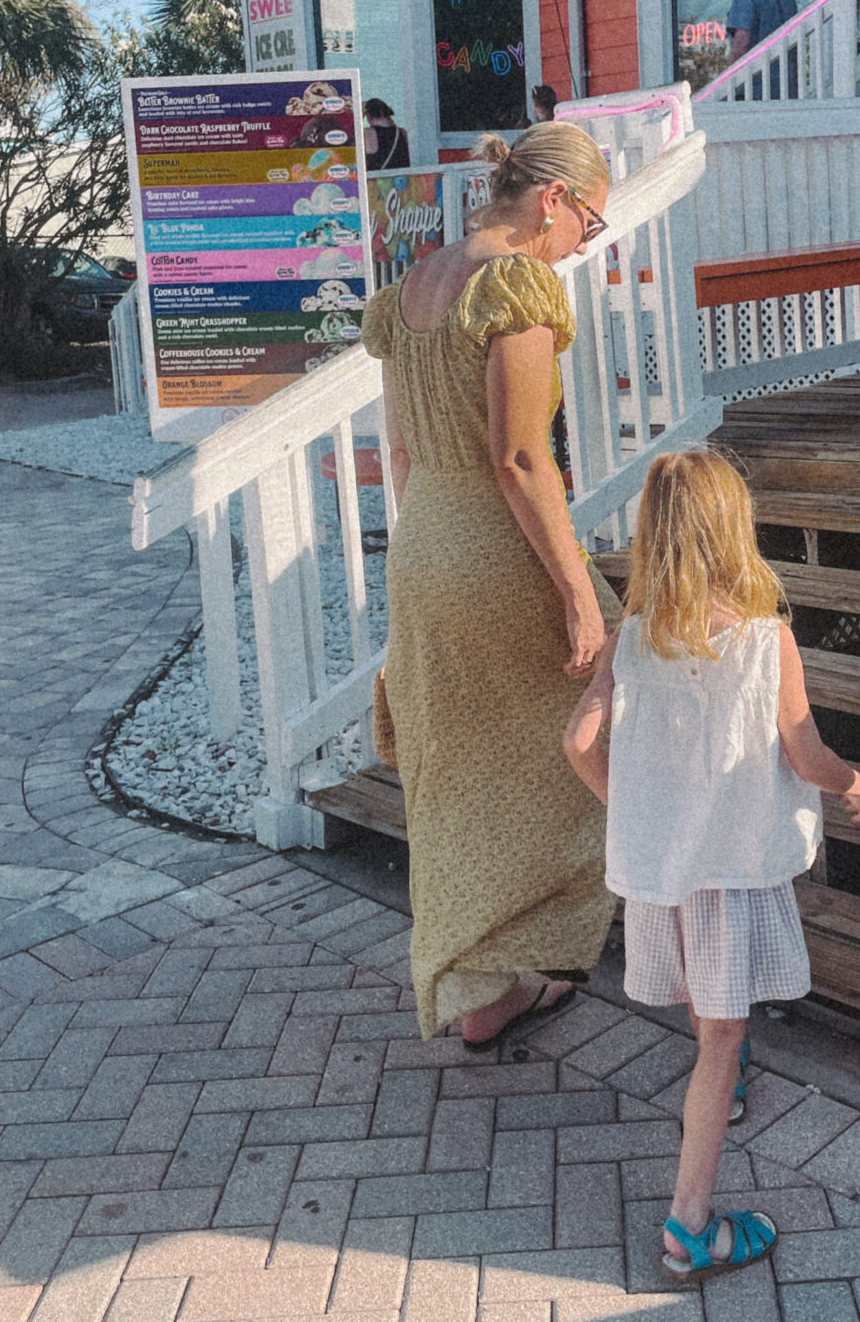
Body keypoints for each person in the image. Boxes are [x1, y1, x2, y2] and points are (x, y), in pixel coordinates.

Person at [565, 450, 860, 1281]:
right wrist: (852, 781)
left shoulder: (628, 642)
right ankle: (690, 1225)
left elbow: (578, 742)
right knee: (724, 1029)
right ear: (735, 531)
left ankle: (724, 1079)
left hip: (667, 873)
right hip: (732, 872)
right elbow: (804, 753)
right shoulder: (769, 642)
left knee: (708, 1005)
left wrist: (633, 812)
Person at [360, 121, 618, 1044]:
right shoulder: (517, 284)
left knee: (461, 763)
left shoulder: (409, 288)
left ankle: (483, 992)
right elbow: (518, 459)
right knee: (608, 697)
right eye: (588, 222)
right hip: (490, 539)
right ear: (551, 201)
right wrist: (581, 594)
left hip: (424, 538)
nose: (585, 242)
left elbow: (398, 447)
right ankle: (661, 910)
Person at [362, 97, 410, 172]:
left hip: (378, 181)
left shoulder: (369, 133)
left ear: (368, 115)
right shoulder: (402, 132)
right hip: (403, 179)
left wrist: (359, 114)